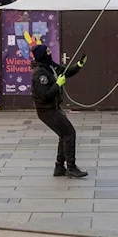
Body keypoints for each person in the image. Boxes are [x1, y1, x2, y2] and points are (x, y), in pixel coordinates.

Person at [30, 43, 88, 178]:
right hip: (47, 110)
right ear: (42, 55)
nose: (50, 52)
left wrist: (78, 65)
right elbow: (44, 96)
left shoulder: (49, 66)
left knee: (64, 134)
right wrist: (57, 85)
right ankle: (71, 167)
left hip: (55, 107)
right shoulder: (39, 74)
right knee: (69, 133)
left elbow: (65, 71)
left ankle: (59, 167)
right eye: (48, 51)